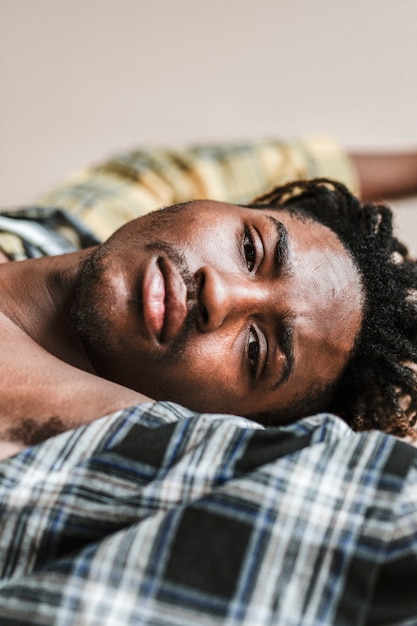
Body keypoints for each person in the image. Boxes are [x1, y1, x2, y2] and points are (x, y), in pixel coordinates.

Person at [0, 135, 417, 460]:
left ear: (229, 422)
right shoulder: (108, 208)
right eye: (251, 251)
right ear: (220, 205)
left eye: (255, 349)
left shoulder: (125, 457)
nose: (219, 294)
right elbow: (256, 166)